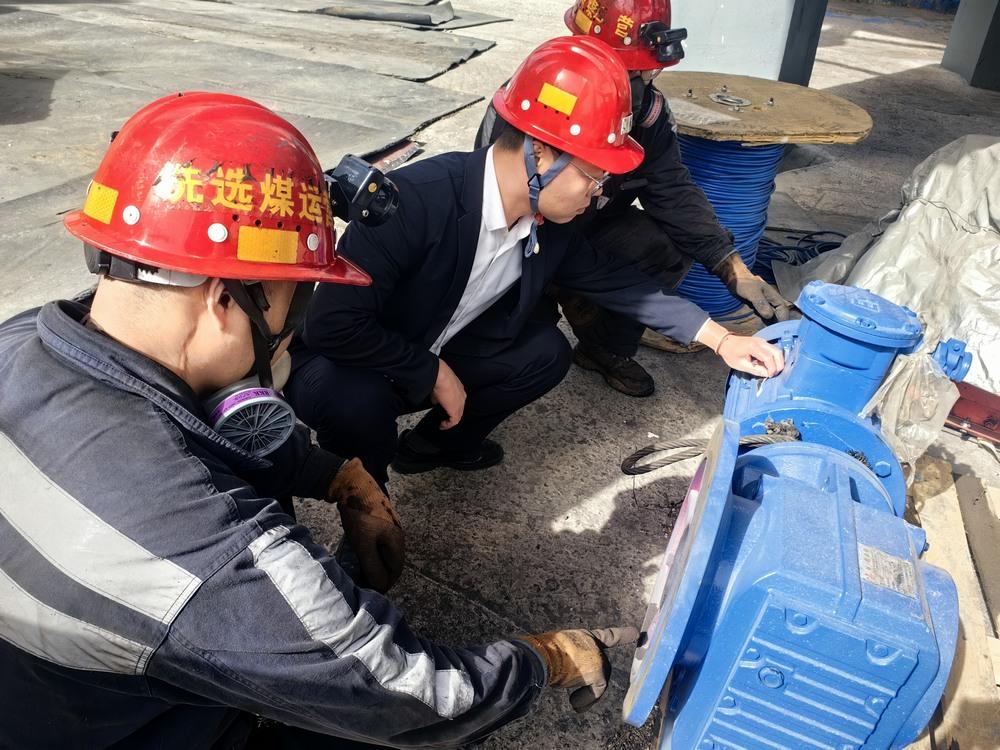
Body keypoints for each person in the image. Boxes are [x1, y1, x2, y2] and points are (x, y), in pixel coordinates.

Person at [0, 91, 635, 749]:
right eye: (291, 307)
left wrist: (337, 476)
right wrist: (547, 657)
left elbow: (206, 425)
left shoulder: (20, 342)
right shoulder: (204, 551)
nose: (289, 334)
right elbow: (413, 695)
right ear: (224, 299)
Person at [286, 36, 784, 486]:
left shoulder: (553, 223)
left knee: (544, 352)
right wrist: (432, 372)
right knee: (354, 404)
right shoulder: (416, 201)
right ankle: (365, 504)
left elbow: (620, 283)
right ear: (542, 154)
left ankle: (434, 446)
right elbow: (332, 324)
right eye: (593, 176)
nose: (600, 192)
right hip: (352, 361)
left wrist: (721, 338)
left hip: (435, 343)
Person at [476, 0, 791, 398]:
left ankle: (603, 348)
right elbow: (495, 209)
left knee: (659, 248)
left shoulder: (647, 115)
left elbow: (673, 191)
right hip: (527, 237)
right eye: (630, 70)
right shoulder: (529, 102)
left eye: (645, 70)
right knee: (529, 343)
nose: (640, 80)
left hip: (587, 231)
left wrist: (732, 268)